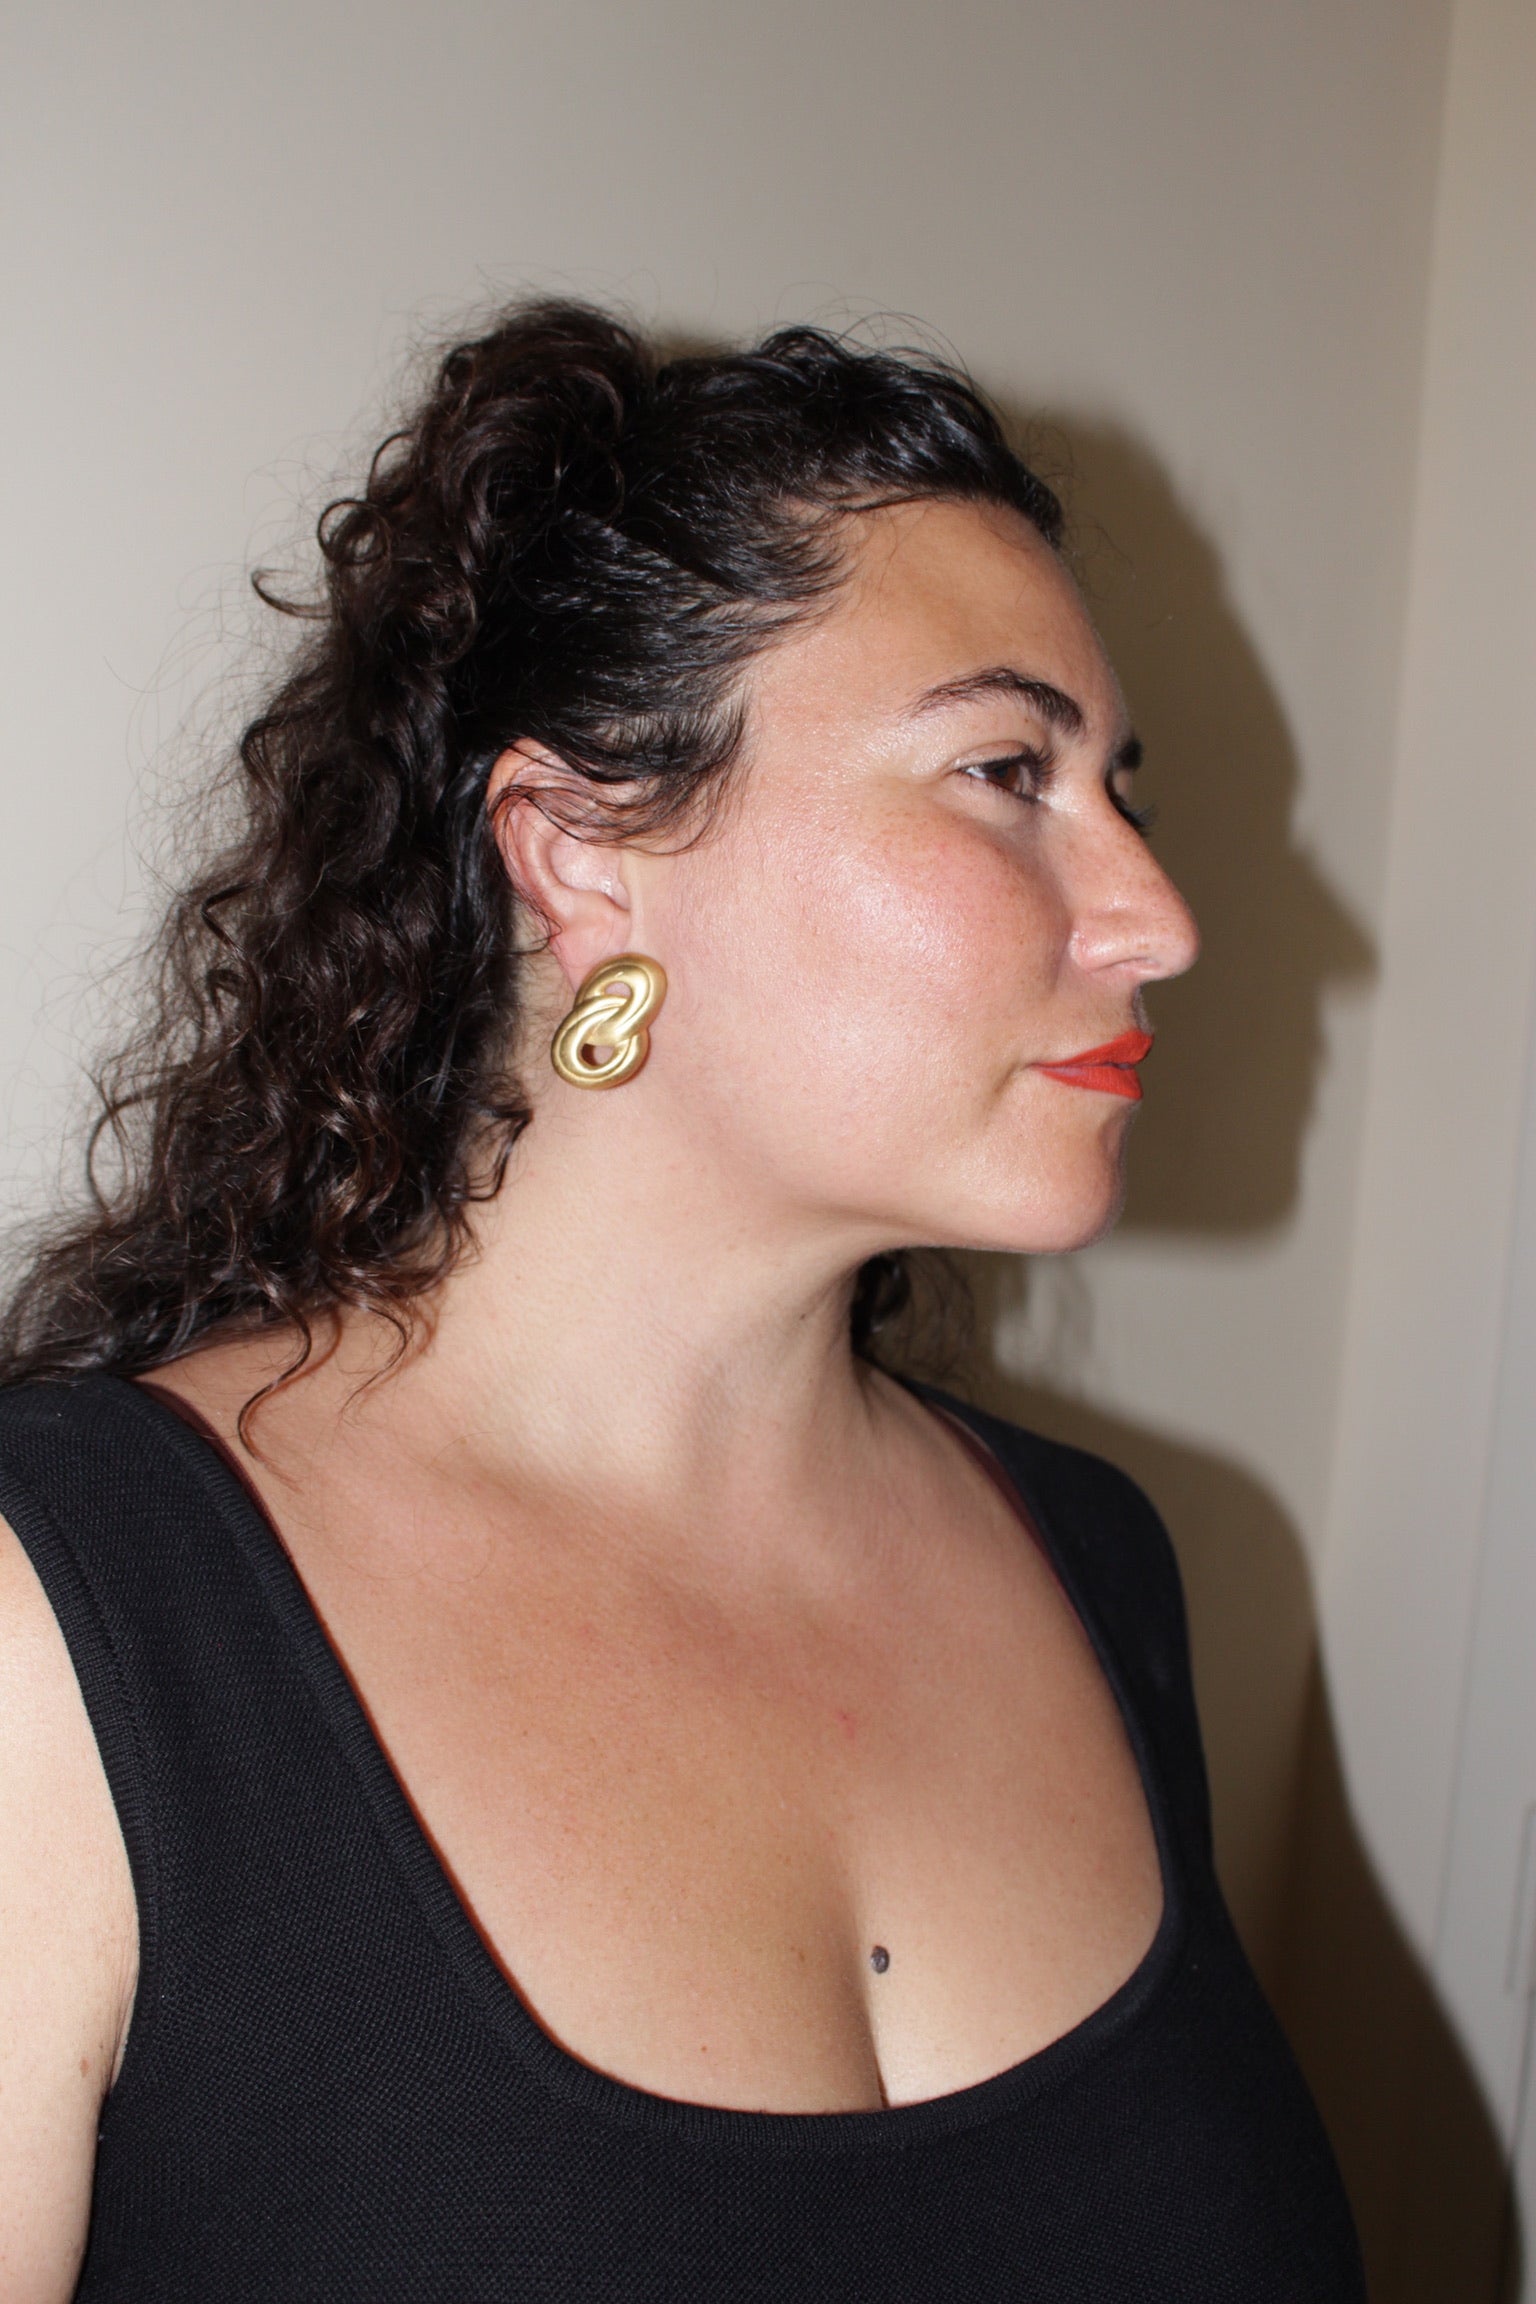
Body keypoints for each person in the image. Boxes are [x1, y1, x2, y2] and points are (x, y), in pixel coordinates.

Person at [0, 302, 1363, 2301]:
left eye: (1118, 792)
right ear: (583, 859)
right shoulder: (67, 1622)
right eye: (1006, 771)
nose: (1158, 915)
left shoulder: (1102, 1562)